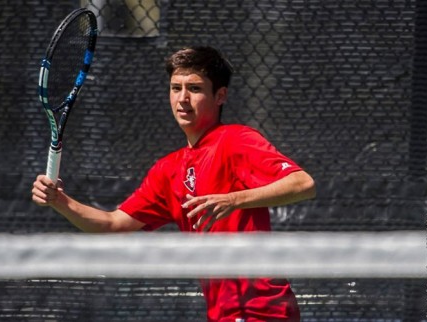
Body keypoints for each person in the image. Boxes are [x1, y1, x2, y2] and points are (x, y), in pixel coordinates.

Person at [32, 46, 316, 322]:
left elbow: (302, 183)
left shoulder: (235, 140)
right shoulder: (168, 170)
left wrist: (233, 200)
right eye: (175, 87)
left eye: (194, 89)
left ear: (220, 96)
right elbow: (111, 224)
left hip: (260, 311)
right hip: (223, 313)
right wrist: (59, 200)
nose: (182, 99)